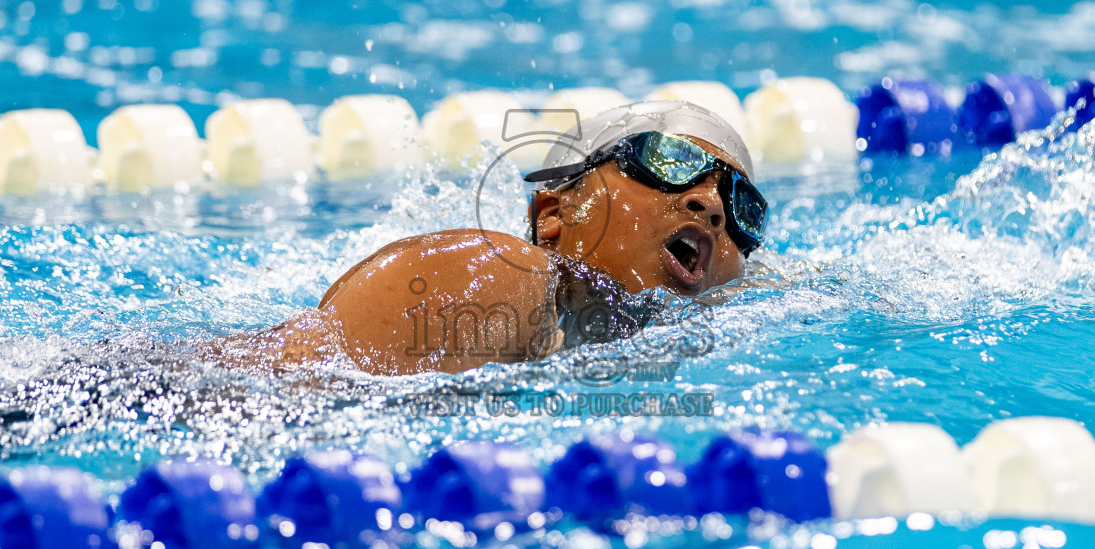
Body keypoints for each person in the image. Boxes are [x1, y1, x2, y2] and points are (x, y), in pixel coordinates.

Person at [208, 101, 769, 376]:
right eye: (668, 162)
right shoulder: (503, 273)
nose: (713, 205)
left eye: (744, 205)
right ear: (553, 215)